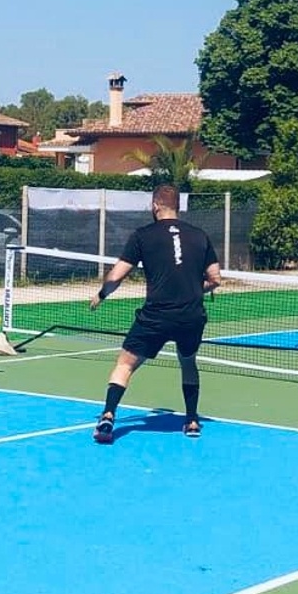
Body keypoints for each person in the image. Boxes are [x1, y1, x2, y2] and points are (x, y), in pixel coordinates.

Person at [88, 184, 222, 443]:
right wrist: (194, 289)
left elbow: (117, 275)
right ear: (178, 207)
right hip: (191, 316)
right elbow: (215, 279)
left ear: (155, 206)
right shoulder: (200, 235)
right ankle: (192, 420)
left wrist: (102, 294)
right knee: (188, 363)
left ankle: (107, 416)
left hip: (156, 316)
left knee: (125, 365)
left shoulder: (142, 235)